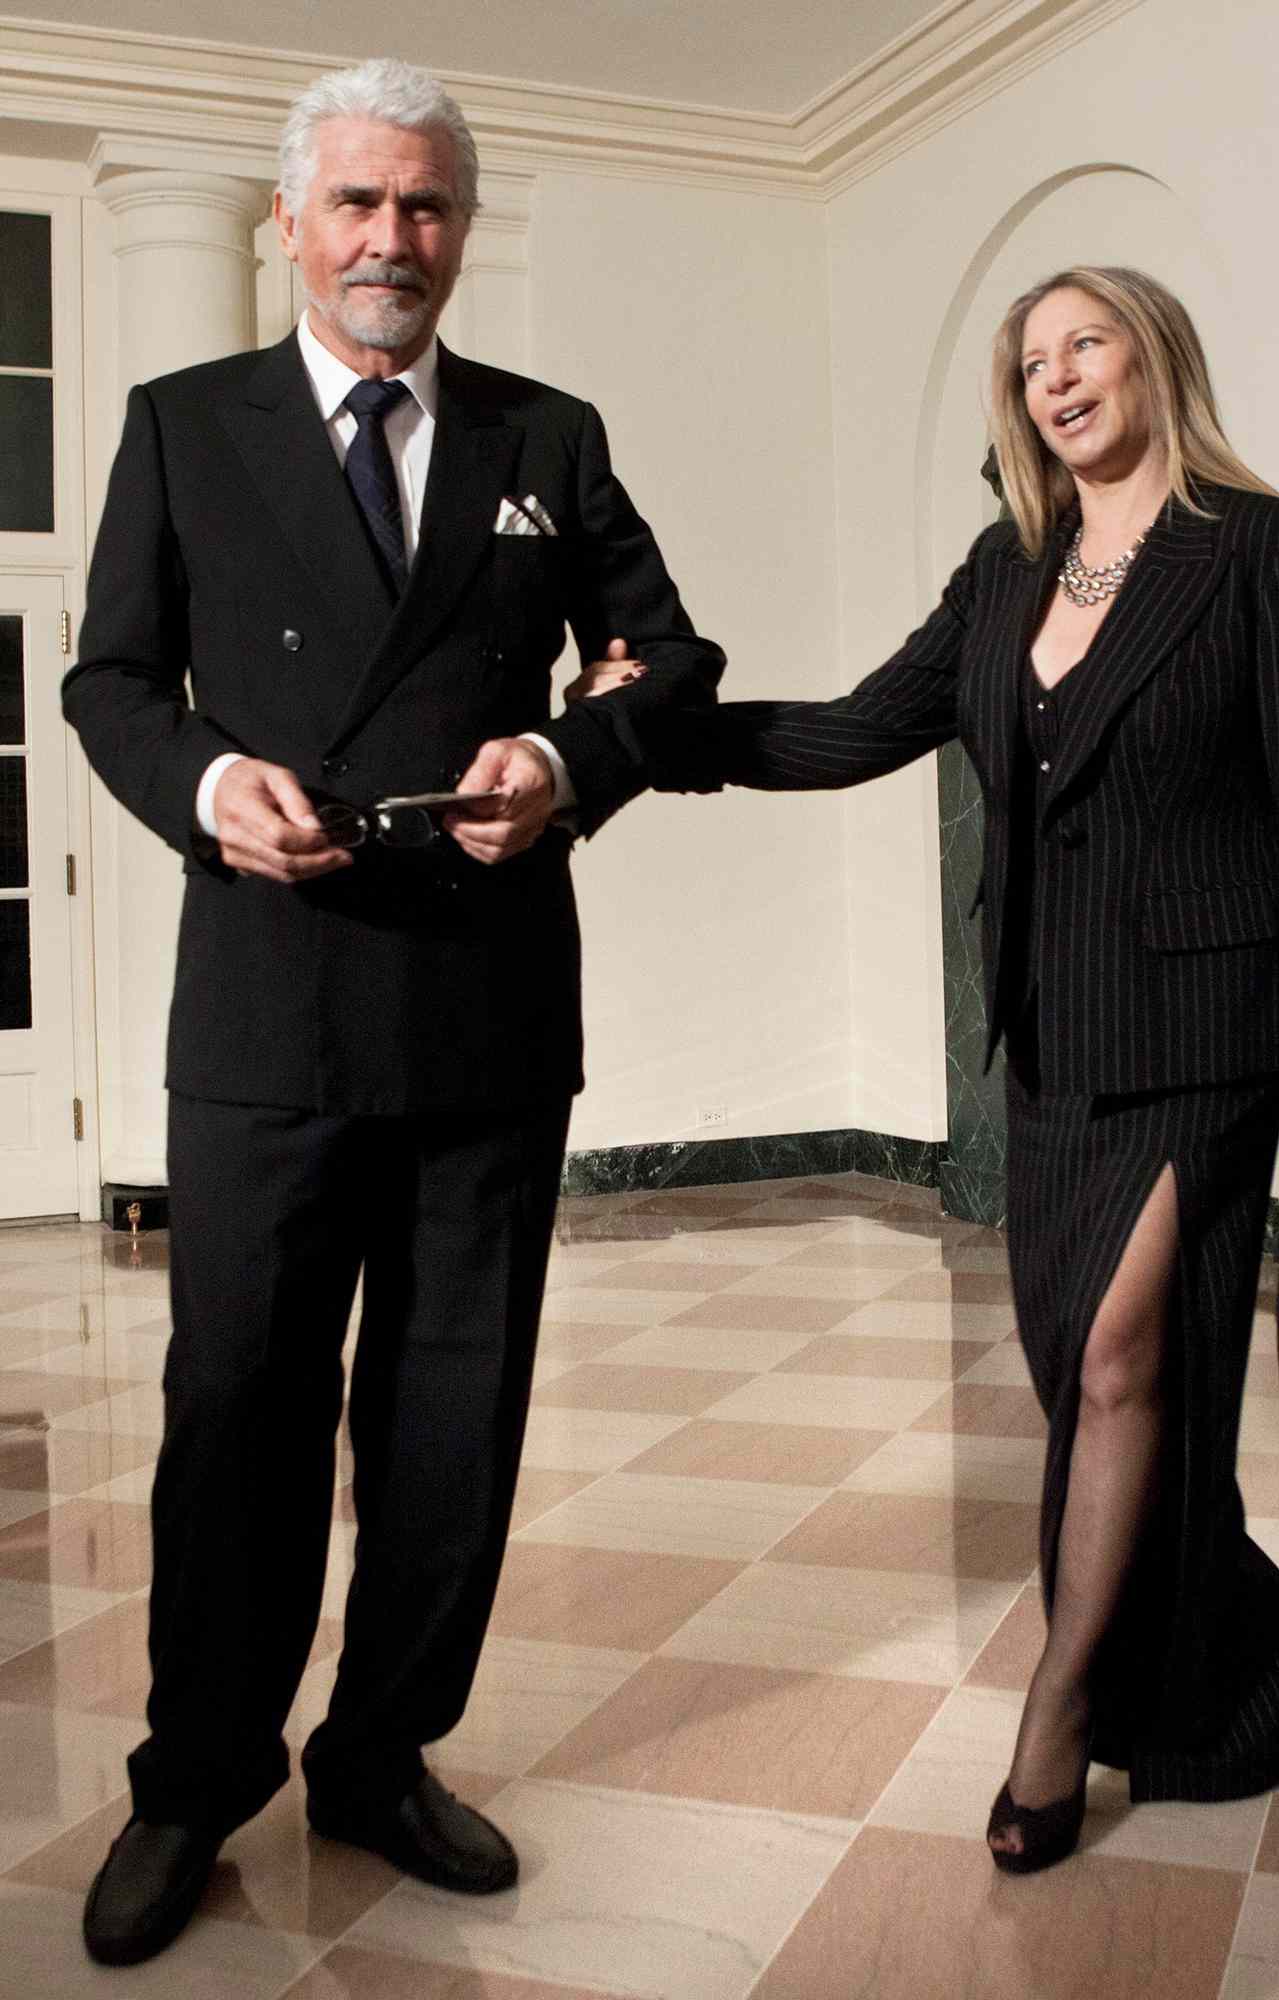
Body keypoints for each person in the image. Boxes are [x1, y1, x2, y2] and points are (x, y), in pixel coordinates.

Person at [62, 56, 722, 1967]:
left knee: (453, 1422)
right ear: (289, 223)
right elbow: (110, 683)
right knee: (236, 1409)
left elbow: (671, 661)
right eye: (355, 203)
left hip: (484, 1011)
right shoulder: (183, 426)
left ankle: (378, 1755)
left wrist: (563, 752)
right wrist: (202, 785)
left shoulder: (548, 431)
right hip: (265, 1015)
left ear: (461, 229)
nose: (389, 239)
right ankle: (197, 1779)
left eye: (424, 205)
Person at [638, 265, 1279, 1872]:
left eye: (1083, 344)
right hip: (1047, 1042)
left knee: (1118, 1361)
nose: (1054, 379)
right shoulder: (1003, 569)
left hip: (1205, 1036)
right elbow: (848, 730)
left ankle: (1058, 1714)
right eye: (1028, 359)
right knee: (1099, 1385)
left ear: (1151, 356)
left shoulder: (1264, 550)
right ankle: (1239, 1677)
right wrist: (642, 745)